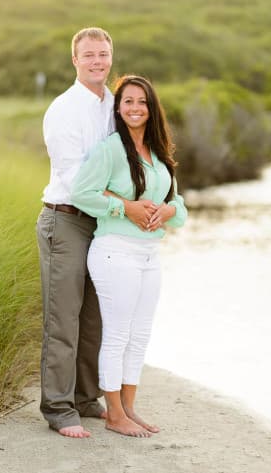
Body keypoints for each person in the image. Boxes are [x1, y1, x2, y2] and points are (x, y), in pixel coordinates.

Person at [69, 75, 187, 438]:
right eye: (128, 102)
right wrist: (126, 208)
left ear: (152, 109)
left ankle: (130, 407)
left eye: (142, 102)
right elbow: (81, 194)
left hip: (150, 255)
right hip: (113, 252)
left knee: (141, 335)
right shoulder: (109, 150)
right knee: (118, 334)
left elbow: (179, 209)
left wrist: (167, 212)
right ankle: (114, 414)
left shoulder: (160, 153)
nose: (135, 108)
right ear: (118, 109)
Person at [37, 26, 119, 438]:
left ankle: (87, 399)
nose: (97, 61)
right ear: (75, 60)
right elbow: (73, 177)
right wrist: (124, 204)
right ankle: (58, 407)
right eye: (89, 55)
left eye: (103, 54)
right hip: (66, 219)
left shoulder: (114, 105)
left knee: (94, 318)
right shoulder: (64, 109)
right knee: (63, 319)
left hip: (102, 223)